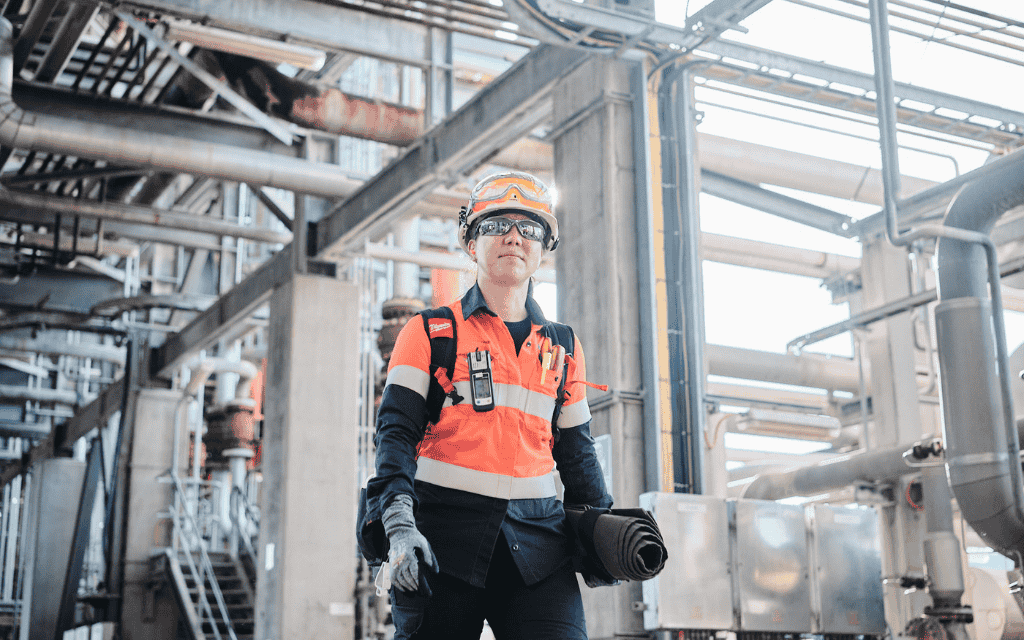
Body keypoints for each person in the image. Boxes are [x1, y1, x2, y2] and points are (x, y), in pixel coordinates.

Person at [366, 171, 613, 640]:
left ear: (544, 248)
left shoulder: (563, 347)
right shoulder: (428, 333)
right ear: (470, 241)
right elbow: (395, 436)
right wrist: (398, 525)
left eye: (530, 228)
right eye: (498, 224)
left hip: (540, 548)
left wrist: (604, 527)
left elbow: (578, 453)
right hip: (439, 544)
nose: (515, 237)